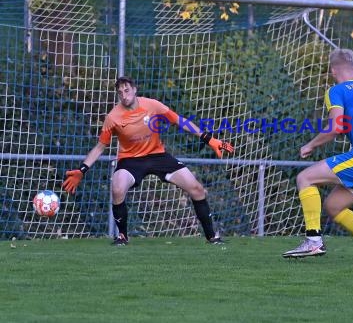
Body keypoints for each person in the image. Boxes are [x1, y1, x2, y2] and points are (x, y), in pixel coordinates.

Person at [62, 76, 234, 246]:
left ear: (135, 90)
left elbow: (179, 121)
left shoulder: (152, 105)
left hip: (157, 156)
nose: (124, 95)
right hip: (130, 160)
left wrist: (209, 139)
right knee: (117, 188)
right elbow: (100, 147)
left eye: (127, 90)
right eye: (120, 92)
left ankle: (212, 237)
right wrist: (82, 169)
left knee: (196, 188)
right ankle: (122, 236)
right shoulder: (113, 117)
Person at [282, 48, 353, 263]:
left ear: (333, 70)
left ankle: (313, 241)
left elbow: (336, 126)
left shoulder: (337, 90)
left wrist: (311, 145)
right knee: (334, 206)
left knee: (304, 178)